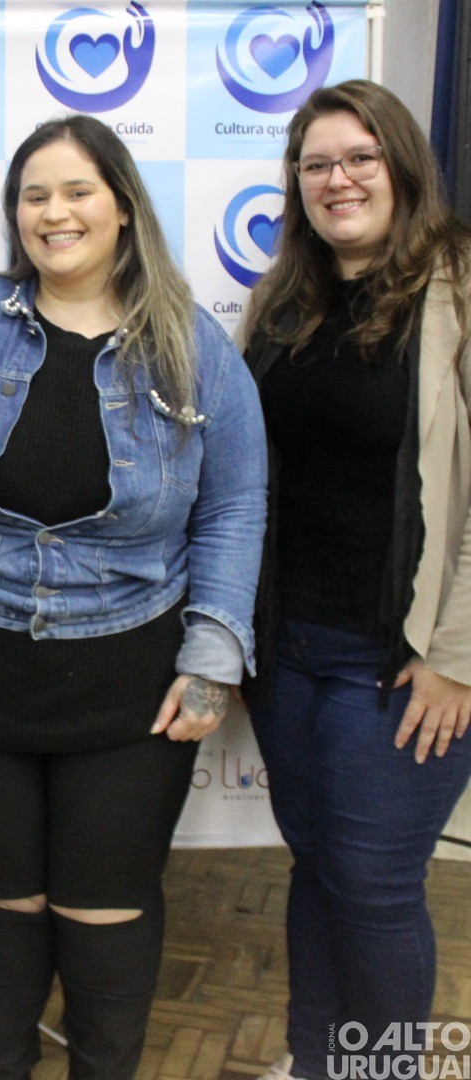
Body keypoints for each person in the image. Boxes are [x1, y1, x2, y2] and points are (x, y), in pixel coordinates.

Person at [0, 114, 268, 1080]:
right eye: (34, 195)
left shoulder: (191, 344)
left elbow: (235, 508)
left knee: (102, 908)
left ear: (121, 206)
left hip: (130, 683)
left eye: (76, 192)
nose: (54, 212)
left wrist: (211, 660)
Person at [239, 79, 471, 1080]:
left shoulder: (459, 293)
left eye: (360, 157)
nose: (339, 179)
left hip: (403, 659)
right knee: (321, 870)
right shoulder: (282, 302)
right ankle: (315, 1062)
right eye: (318, 163)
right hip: (289, 649)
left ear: (403, 167)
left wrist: (458, 658)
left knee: (375, 885)